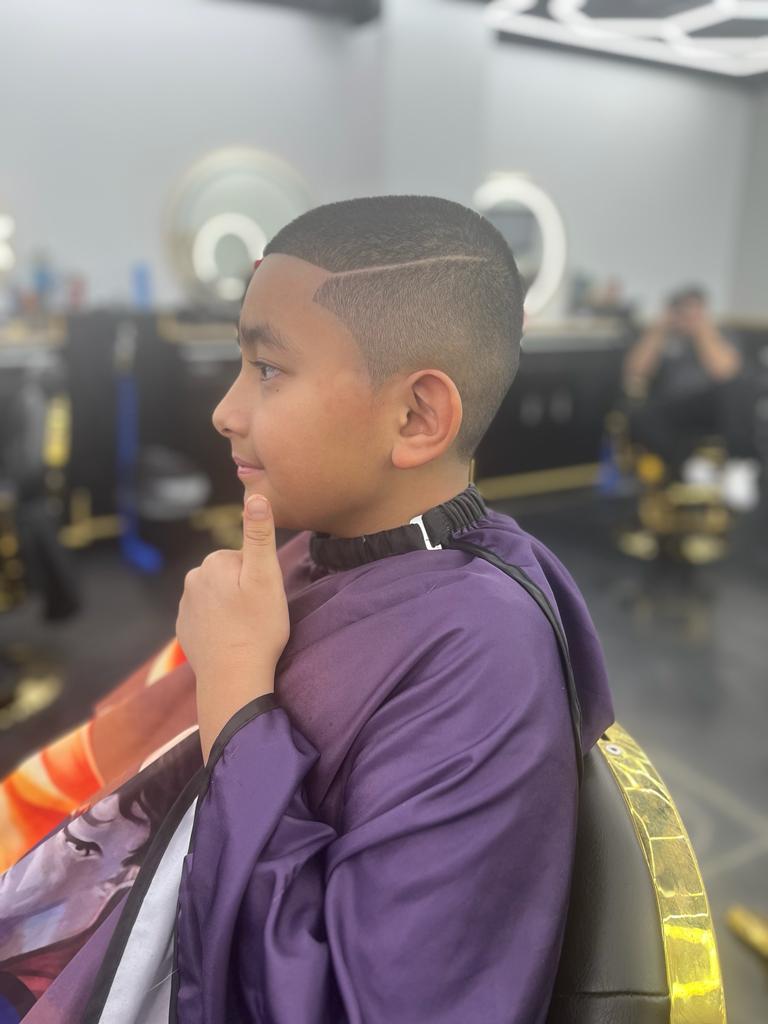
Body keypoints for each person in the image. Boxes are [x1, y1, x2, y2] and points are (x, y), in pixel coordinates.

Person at [1, 195, 614, 1023]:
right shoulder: (318, 550)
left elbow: (354, 1005)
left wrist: (236, 695)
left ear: (416, 416)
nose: (225, 411)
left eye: (267, 369)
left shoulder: (485, 657)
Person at [622, 286, 760, 509]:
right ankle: (691, 467)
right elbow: (635, 373)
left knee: (739, 386)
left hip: (711, 406)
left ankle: (739, 465)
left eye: (693, 310)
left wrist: (701, 331)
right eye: (682, 310)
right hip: (671, 407)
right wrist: (658, 330)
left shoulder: (721, 334)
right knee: (636, 414)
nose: (687, 316)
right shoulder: (662, 337)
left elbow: (726, 372)